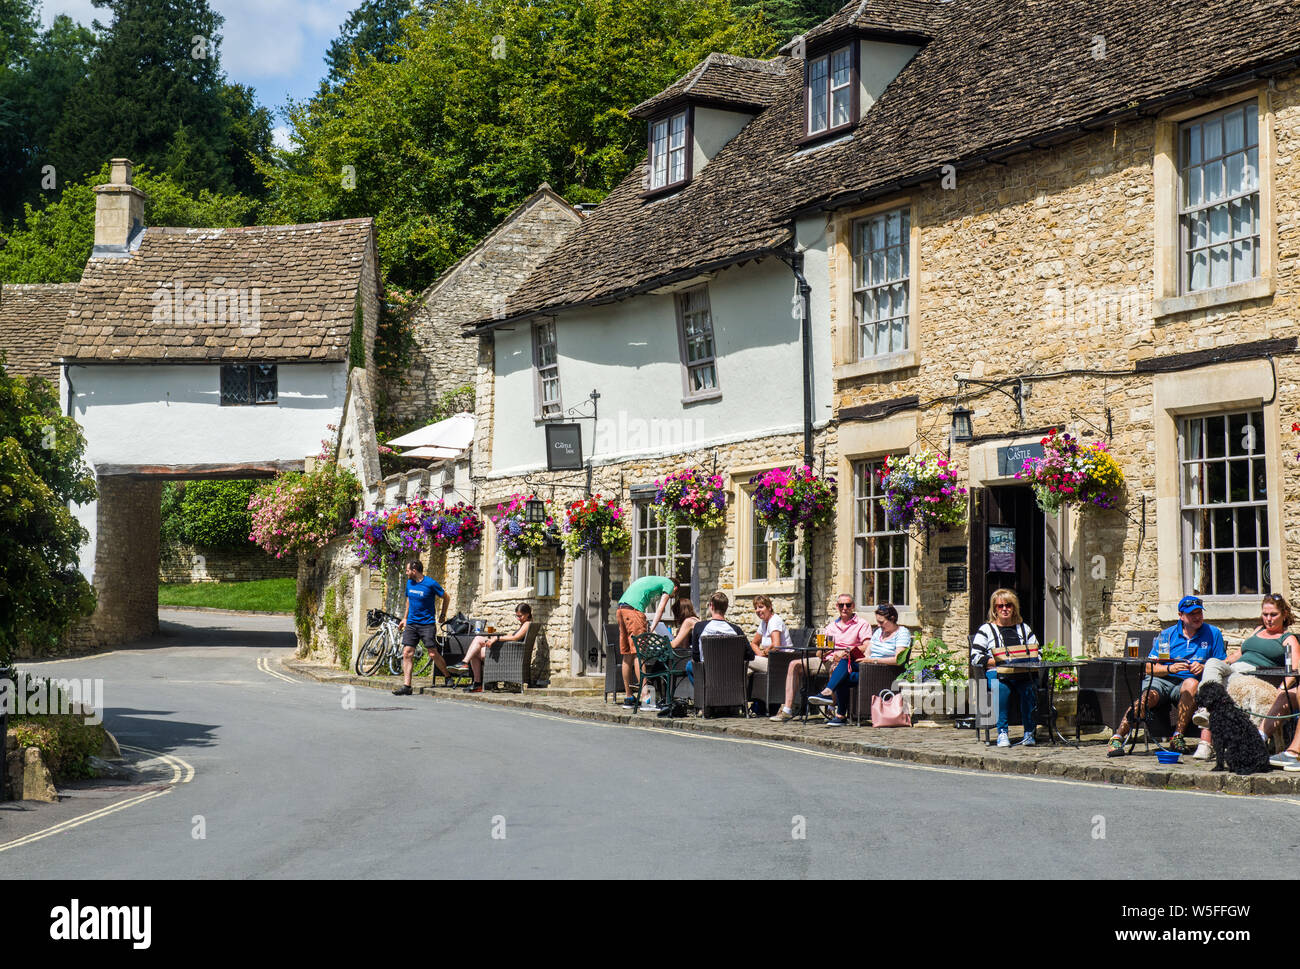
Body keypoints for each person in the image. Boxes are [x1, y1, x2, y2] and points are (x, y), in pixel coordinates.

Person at [1107, 594, 1226, 756]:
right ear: (1180, 616)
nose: (1197, 617)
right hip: (1162, 680)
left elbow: (1222, 664)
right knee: (1147, 697)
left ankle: (1177, 737)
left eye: (1199, 612)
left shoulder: (1213, 633)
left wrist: (1204, 666)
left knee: (1191, 683)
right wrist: (1170, 669)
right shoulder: (1167, 635)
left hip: (1188, 684)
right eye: (1192, 613)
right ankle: (1118, 736)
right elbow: (1149, 668)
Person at [1195, 594, 1300, 760]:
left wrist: (1282, 688)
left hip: (1252, 676)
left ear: (1284, 615)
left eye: (1273, 615)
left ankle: (1205, 740)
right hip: (1234, 670)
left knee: (1221, 688)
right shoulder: (1258, 630)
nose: (1268, 619)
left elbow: (1294, 669)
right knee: (1212, 663)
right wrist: (1222, 664)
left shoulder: (1287, 639)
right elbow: (1239, 653)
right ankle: (1205, 711)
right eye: (1265, 615)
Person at [770, 593, 870, 723]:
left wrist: (846, 651)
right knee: (794, 664)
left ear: (853, 606)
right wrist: (822, 652)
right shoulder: (831, 626)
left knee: (836, 667)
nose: (844, 608)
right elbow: (819, 652)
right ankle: (787, 710)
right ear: (837, 607)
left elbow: (866, 645)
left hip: (845, 659)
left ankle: (831, 707)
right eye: (841, 605)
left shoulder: (861, 624)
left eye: (848, 605)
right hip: (825, 659)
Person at [808, 602, 911, 726]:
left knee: (843, 675)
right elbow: (867, 653)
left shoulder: (902, 632)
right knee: (845, 661)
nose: (879, 625)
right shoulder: (879, 632)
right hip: (869, 667)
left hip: (884, 670)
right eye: (877, 622)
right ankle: (833, 701)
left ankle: (834, 704)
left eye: (882, 622)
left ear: (892, 619)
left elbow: (898, 660)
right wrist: (855, 656)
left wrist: (872, 661)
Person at [969, 589, 1039, 748]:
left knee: (1029, 688)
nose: (1004, 609)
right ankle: (1002, 733)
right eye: (1000, 606)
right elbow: (976, 656)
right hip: (997, 673)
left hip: (1021, 673)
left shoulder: (1023, 629)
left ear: (1014, 608)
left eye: (1008, 605)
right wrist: (998, 661)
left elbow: (1038, 651)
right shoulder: (986, 629)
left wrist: (1026, 659)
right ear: (994, 609)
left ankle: (1029, 732)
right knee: (1001, 688)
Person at [616, 574, 676, 708]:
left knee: (627, 654)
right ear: (675, 588)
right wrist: (652, 628)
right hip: (634, 612)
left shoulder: (654, 580)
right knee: (640, 654)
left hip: (621, 609)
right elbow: (660, 609)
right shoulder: (669, 584)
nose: (671, 596)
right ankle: (646, 697)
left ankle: (629, 697)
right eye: (673, 595)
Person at [394, 559, 450, 696]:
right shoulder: (409, 583)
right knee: (407, 652)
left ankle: (448, 677)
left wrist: (443, 614)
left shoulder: (430, 583)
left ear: (414, 571)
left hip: (427, 624)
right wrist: (405, 618)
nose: (406, 573)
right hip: (412, 623)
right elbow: (408, 601)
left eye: (408, 570)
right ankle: (407, 686)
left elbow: (446, 597)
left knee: (432, 653)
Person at [452, 603, 532, 694]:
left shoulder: (527, 624)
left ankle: (470, 672)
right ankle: (470, 672)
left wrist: (497, 638)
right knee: (476, 645)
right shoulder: (524, 624)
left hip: (510, 653)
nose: (518, 619)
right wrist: (497, 637)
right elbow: (512, 636)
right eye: (517, 616)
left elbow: (515, 638)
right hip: (510, 650)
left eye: (520, 616)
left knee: (476, 648)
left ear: (527, 614)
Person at [685, 591, 746, 685]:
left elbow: (696, 656)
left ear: (711, 606)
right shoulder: (736, 630)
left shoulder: (700, 627)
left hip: (708, 675)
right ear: (726, 608)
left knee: (689, 665)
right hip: (730, 676)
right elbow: (749, 654)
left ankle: (703, 694)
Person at [748, 595, 792, 676]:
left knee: (745, 660)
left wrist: (763, 653)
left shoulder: (774, 621)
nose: (757, 610)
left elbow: (776, 646)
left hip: (782, 662)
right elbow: (754, 644)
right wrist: (760, 654)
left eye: (761, 607)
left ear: (769, 607)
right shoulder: (764, 623)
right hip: (771, 660)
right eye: (755, 608)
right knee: (747, 669)